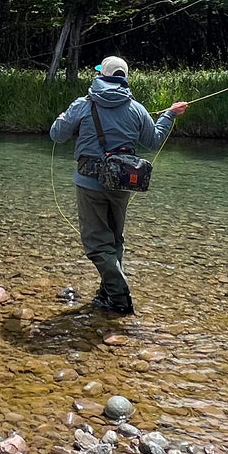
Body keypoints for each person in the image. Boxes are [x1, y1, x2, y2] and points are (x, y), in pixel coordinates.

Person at [50, 55, 189, 315]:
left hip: (89, 182)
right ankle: (107, 293)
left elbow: (57, 135)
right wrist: (169, 114)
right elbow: (154, 141)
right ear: (123, 77)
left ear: (102, 75)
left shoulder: (82, 104)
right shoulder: (136, 108)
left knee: (95, 244)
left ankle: (118, 294)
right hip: (123, 183)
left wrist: (61, 118)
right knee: (115, 239)